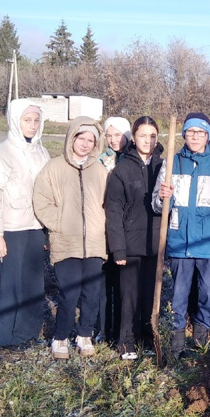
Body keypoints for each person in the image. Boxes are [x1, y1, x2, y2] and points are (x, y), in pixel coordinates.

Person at [153, 112, 210, 357]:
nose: (195, 137)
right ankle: (177, 341)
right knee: (179, 294)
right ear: (184, 134)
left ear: (208, 136)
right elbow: (156, 206)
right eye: (190, 132)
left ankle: (202, 335)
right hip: (179, 242)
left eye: (200, 132)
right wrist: (161, 197)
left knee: (209, 292)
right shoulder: (172, 163)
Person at [33, 117, 108, 360]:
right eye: (81, 138)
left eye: (91, 140)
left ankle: (84, 334)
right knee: (69, 292)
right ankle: (60, 337)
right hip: (66, 242)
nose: (85, 144)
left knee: (92, 292)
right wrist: (60, 223)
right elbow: (41, 201)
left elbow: (109, 203)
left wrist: (102, 227)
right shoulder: (53, 168)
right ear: (72, 138)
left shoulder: (99, 170)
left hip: (95, 242)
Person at [0, 99, 50, 351]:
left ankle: (30, 331)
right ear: (15, 121)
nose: (32, 125)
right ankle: (9, 336)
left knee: (33, 281)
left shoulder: (41, 151)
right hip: (11, 227)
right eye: (26, 120)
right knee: (11, 283)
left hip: (35, 227)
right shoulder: (2, 153)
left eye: (36, 120)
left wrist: (47, 229)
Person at [106, 116, 165, 360]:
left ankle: (147, 338)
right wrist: (117, 249)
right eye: (143, 135)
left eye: (152, 136)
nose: (147, 140)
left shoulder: (164, 166)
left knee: (149, 295)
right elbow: (113, 210)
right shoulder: (122, 169)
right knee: (128, 295)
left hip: (155, 242)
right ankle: (126, 341)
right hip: (130, 243)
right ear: (134, 137)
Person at [98, 116, 132, 344]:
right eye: (108, 135)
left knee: (125, 282)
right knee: (105, 281)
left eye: (117, 134)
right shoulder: (101, 160)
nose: (112, 140)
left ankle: (123, 326)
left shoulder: (132, 158)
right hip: (104, 224)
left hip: (127, 227)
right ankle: (104, 327)